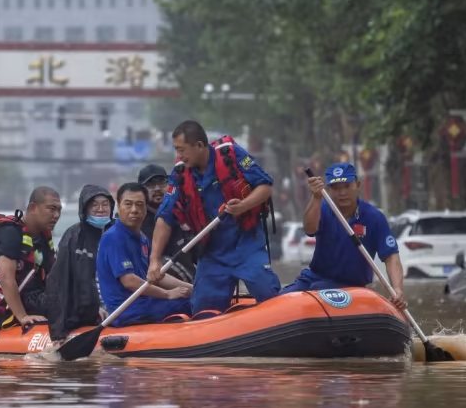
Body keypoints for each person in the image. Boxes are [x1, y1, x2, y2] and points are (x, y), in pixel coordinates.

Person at [147, 121, 280, 315]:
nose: (179, 156)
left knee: (267, 292)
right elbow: (165, 216)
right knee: (203, 310)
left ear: (199, 145)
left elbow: (265, 186)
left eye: (182, 150)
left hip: (247, 245)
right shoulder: (180, 174)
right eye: (176, 150)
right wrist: (154, 260)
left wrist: (243, 205)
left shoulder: (231, 154)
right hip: (212, 254)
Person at [279, 163, 407, 310]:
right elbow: (309, 228)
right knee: (279, 301)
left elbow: (391, 257)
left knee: (319, 290)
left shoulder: (374, 217)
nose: (342, 193)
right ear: (328, 189)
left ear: (357, 185)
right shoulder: (321, 209)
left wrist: (397, 289)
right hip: (314, 277)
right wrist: (316, 197)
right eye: (336, 188)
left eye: (347, 186)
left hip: (351, 287)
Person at [0, 186, 62, 334]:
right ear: (33, 207)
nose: (56, 215)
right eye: (51, 209)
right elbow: (6, 279)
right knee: (63, 303)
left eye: (59, 210)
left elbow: (54, 275)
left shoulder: (43, 236)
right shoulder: (10, 233)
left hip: (29, 296)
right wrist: (23, 317)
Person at [96, 183, 193, 326]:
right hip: (128, 310)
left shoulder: (142, 238)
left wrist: (192, 287)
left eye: (139, 205)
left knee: (197, 295)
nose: (134, 210)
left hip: (145, 303)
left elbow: (157, 275)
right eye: (128, 204)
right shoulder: (113, 237)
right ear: (118, 206)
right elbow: (129, 281)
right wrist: (168, 294)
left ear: (146, 210)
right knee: (193, 303)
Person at [45, 185, 114, 342]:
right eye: (94, 205)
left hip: (117, 305)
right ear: (85, 208)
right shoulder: (73, 236)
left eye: (105, 204)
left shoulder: (118, 232)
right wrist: (58, 330)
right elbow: (60, 281)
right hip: (85, 311)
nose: (100, 209)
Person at [138, 164, 196, 283]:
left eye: (162, 183)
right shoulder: (138, 223)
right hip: (160, 289)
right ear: (141, 191)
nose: (157, 188)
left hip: (193, 284)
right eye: (151, 185)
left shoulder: (183, 214)